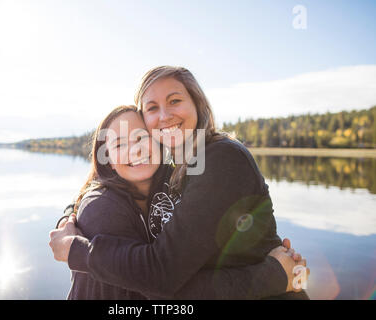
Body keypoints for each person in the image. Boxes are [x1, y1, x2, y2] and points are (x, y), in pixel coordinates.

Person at [50, 66, 309, 299]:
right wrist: (71, 216)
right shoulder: (174, 167)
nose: (164, 116)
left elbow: (161, 276)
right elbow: (99, 183)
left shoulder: (221, 158)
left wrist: (75, 250)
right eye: (152, 108)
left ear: (197, 103)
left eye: (174, 101)